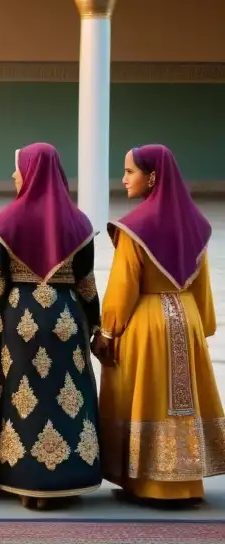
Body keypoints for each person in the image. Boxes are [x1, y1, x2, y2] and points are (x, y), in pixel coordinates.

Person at [0, 143, 101, 508]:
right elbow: (86, 283)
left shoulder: (6, 221)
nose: (13, 175)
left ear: (30, 172)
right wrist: (92, 324)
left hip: (18, 321)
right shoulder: (80, 222)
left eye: (17, 168)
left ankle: (24, 479)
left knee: (21, 397)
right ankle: (67, 477)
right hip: (65, 320)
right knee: (66, 397)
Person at [94, 145, 223, 505]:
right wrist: (201, 327)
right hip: (187, 317)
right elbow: (202, 286)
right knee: (179, 402)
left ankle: (147, 481)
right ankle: (185, 480)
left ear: (152, 177)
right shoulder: (196, 224)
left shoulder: (135, 229)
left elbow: (123, 288)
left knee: (147, 398)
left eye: (129, 171)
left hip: (147, 322)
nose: (123, 179)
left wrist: (107, 332)